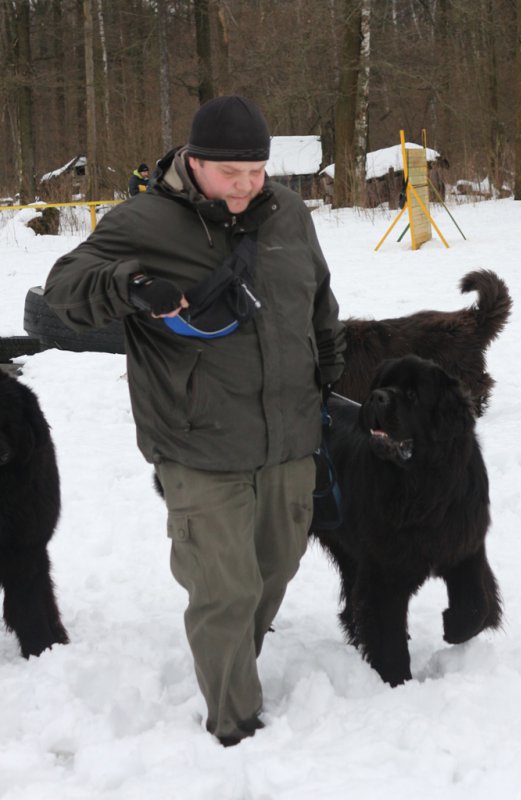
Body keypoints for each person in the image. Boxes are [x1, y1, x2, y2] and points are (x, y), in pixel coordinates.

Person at [44, 95, 345, 747]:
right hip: (197, 439)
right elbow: (66, 289)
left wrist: (328, 368)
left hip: (288, 435)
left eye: (256, 172)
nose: (245, 186)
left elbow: (317, 298)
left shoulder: (289, 216)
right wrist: (129, 284)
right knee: (224, 587)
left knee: (274, 567)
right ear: (195, 163)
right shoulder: (144, 220)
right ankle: (234, 725)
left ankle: (235, 657)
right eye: (230, 173)